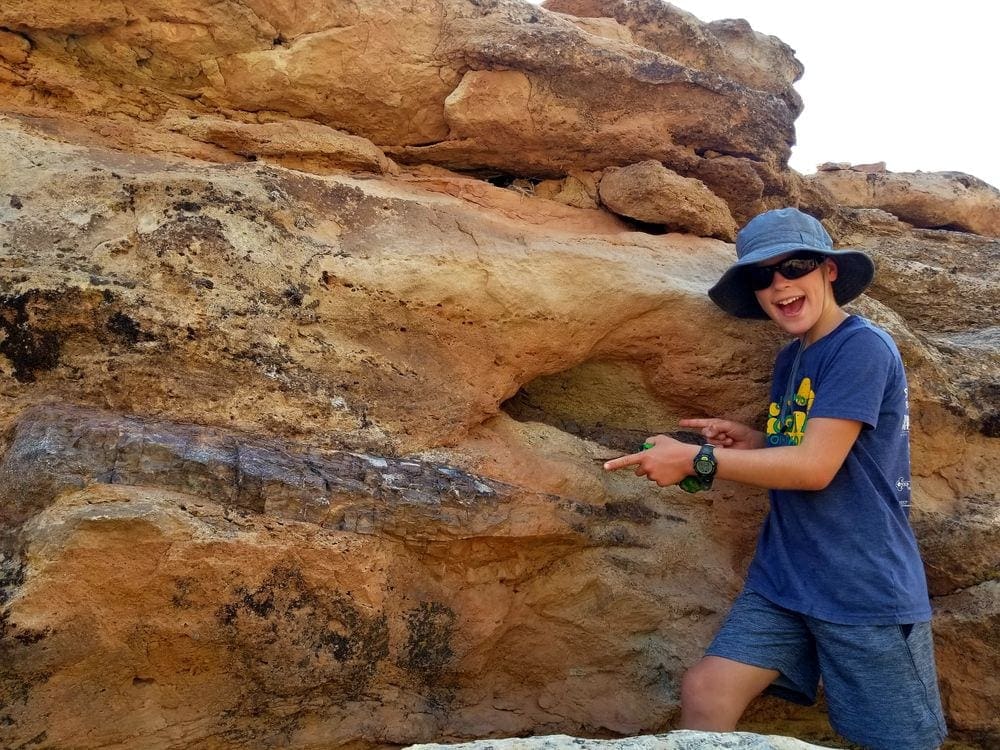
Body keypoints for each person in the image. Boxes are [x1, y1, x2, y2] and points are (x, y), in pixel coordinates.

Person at [603, 208, 947, 750]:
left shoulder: (861, 347)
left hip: (861, 584)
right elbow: (809, 449)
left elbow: (814, 468)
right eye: (761, 276)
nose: (779, 283)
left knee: (896, 740)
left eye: (796, 265)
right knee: (707, 693)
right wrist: (754, 440)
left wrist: (698, 461)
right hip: (787, 574)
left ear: (829, 271)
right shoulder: (793, 360)